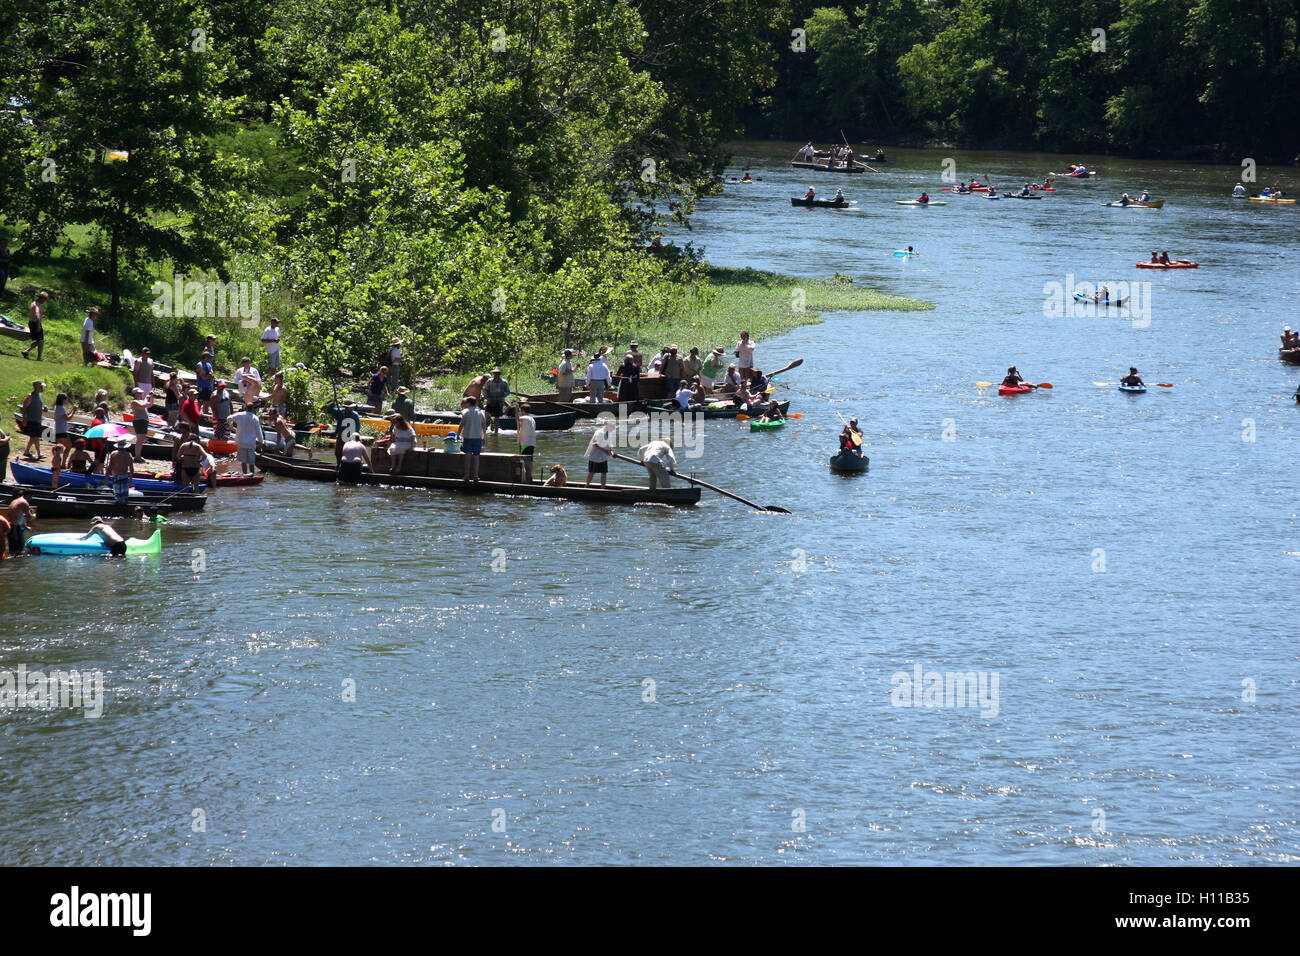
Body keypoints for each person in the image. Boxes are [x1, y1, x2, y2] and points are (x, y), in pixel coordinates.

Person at [227, 401, 264, 476]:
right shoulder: (255, 418)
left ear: (245, 408)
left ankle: (244, 474)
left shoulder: (240, 415)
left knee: (243, 461)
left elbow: (229, 418)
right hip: (250, 443)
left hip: (241, 441)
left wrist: (232, 427)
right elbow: (258, 432)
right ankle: (252, 475)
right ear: (253, 409)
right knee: (251, 461)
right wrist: (261, 442)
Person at [458, 396, 486, 480]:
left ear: (469, 403)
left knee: (468, 456)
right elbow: (484, 425)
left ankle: (466, 475)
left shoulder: (465, 411)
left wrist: (458, 434)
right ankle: (476, 476)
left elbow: (461, 425)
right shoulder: (481, 412)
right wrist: (484, 436)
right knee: (476, 457)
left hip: (467, 437)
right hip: (478, 437)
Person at [584, 420, 614, 488]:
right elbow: (595, 445)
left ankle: (603, 487)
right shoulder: (599, 433)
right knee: (592, 472)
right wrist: (605, 451)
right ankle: (587, 486)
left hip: (603, 457)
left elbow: (609, 447)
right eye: (611, 428)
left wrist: (612, 453)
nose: (612, 429)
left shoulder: (609, 434)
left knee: (604, 472)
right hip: (595, 457)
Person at [20, 380, 44, 460]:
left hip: (37, 419)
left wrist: (43, 409)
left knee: (34, 437)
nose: (42, 388)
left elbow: (37, 406)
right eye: (41, 386)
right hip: (32, 419)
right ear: (37, 387)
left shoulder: (39, 396)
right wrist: (24, 419)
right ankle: (38, 453)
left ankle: (28, 452)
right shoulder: (30, 396)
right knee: (35, 437)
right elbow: (24, 408)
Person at [21, 290, 49, 360]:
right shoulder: (37, 305)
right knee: (41, 341)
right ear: (42, 298)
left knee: (40, 341)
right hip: (35, 323)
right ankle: (38, 357)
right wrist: (38, 325)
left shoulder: (33, 303)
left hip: (32, 322)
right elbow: (37, 314)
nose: (45, 301)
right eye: (45, 299)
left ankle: (26, 351)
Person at [176, 428, 206, 492]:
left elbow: (178, 456)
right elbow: (205, 455)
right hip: (195, 467)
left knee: (185, 486)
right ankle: (195, 499)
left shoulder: (184, 445)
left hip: (185, 467)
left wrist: (184, 457)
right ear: (196, 440)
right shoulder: (198, 446)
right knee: (196, 486)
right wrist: (199, 461)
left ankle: (185, 499)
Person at [516, 403, 536, 481]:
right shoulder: (532, 419)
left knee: (525, 460)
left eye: (521, 411)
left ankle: (526, 477)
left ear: (523, 411)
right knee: (529, 460)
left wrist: (516, 410)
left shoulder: (525, 418)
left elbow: (517, 419)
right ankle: (529, 476)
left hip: (526, 443)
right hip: (531, 442)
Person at [129, 387, 150, 462]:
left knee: (142, 439)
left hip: (144, 421)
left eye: (141, 393)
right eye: (139, 393)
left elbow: (149, 404)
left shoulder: (142, 401)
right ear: (135, 394)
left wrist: (151, 397)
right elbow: (143, 406)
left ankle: (139, 455)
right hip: (139, 421)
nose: (140, 394)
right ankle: (137, 456)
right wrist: (146, 399)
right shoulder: (134, 402)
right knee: (139, 439)